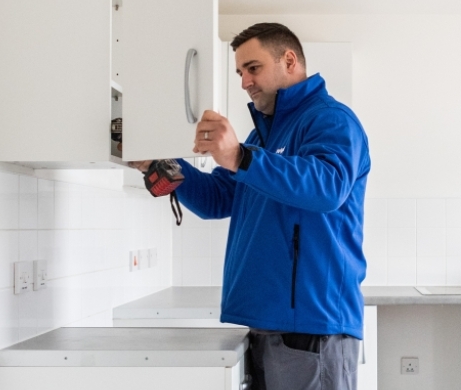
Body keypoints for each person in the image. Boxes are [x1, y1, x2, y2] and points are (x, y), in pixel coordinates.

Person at [132, 23, 370, 390]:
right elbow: (217, 198)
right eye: (241, 72)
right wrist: (159, 163)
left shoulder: (331, 120)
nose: (244, 81)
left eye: (253, 68)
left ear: (289, 60)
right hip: (266, 323)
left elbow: (328, 187)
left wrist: (241, 157)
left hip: (311, 326)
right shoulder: (262, 135)